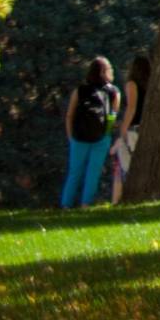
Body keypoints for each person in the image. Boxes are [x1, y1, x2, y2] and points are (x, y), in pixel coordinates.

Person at [61, 56, 120, 209]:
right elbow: (112, 117)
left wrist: (70, 136)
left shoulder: (80, 90)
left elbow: (69, 115)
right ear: (105, 72)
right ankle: (86, 204)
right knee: (93, 173)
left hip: (78, 138)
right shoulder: (113, 92)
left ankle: (66, 205)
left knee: (74, 173)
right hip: (100, 138)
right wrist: (107, 136)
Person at [104, 53, 149, 203]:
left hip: (134, 129)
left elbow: (131, 108)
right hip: (147, 128)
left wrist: (123, 129)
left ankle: (117, 200)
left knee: (123, 166)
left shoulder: (131, 84)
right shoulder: (151, 85)